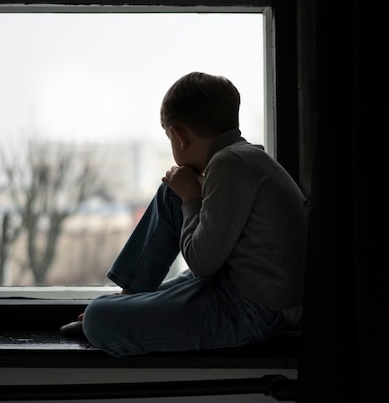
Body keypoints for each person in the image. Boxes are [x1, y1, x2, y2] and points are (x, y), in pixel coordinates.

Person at [60, 72, 309, 357]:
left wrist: (191, 197)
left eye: (169, 137)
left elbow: (202, 264)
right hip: (238, 287)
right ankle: (131, 296)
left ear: (179, 135)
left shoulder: (228, 166)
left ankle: (119, 310)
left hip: (256, 311)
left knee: (98, 318)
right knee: (172, 192)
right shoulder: (244, 157)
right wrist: (186, 194)